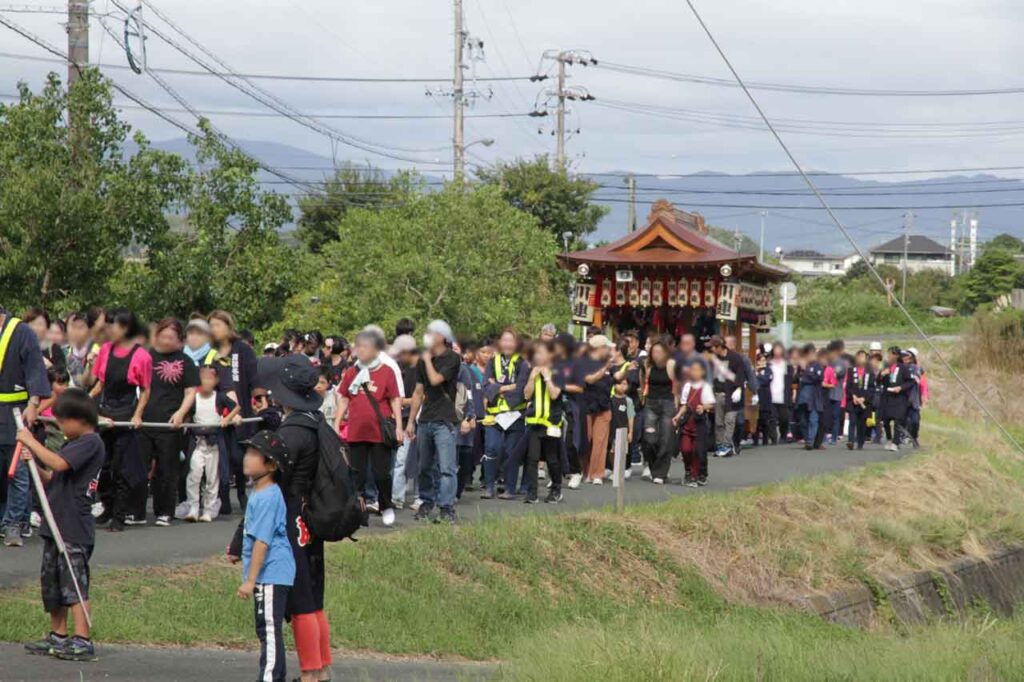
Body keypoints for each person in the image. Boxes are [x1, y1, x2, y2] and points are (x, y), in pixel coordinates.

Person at [251, 354, 333, 681]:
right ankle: (322, 670)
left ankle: (311, 675)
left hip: (290, 518)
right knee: (314, 599)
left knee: (300, 602)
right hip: (310, 518)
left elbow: (271, 480)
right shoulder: (315, 421)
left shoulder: (293, 432)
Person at [18, 388, 103, 662]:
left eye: (63, 421)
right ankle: (58, 634)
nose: (61, 426)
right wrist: (35, 466)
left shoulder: (90, 443)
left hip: (73, 525)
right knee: (53, 583)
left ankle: (82, 639)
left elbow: (59, 463)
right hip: (54, 522)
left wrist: (32, 443)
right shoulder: (72, 443)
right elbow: (53, 476)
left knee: (74, 584)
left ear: (80, 419)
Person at [235, 430, 296, 682]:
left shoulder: (269, 495)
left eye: (254, 454)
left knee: (269, 630)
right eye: (247, 452)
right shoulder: (258, 494)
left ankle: (269, 677)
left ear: (270, 464)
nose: (246, 458)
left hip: (272, 571)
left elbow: (263, 542)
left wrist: (250, 580)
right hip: (268, 572)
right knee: (266, 628)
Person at [88, 308, 151, 531]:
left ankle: (120, 515)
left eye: (111, 326)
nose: (107, 330)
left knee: (122, 468)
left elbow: (145, 390)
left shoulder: (141, 356)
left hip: (126, 414)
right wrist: (86, 398)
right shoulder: (105, 350)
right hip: (105, 412)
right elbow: (100, 384)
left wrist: (137, 415)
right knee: (103, 466)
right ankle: (107, 504)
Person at [336, 331, 404, 528]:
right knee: (357, 475)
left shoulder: (387, 371)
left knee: (382, 473)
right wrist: (337, 422)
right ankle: (358, 510)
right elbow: (344, 397)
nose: (360, 351)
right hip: (357, 431)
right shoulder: (352, 372)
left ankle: (386, 505)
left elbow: (394, 399)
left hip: (378, 432)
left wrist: (399, 426)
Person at [137, 318, 199, 527]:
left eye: (170, 337)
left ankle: (165, 511)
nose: (165, 340)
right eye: (162, 336)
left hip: (170, 423)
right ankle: (137, 511)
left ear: (179, 340)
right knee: (140, 467)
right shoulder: (146, 357)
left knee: (167, 468)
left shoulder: (185, 361)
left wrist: (181, 413)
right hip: (145, 421)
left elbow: (191, 392)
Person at [0, 305, 51, 548]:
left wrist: (33, 403)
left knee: (17, 470)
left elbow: (35, 370)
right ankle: (5, 519)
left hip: (15, 411)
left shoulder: (22, 332)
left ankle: (14, 524)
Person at [406, 320, 462, 523]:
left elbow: (437, 380)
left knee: (446, 468)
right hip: (426, 419)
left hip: (444, 420)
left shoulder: (452, 358)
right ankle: (427, 502)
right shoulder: (423, 361)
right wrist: (411, 421)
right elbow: (418, 391)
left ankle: (446, 507)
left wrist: (428, 360)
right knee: (424, 467)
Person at [208, 310, 261, 515]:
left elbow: (254, 378)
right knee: (222, 457)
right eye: (211, 326)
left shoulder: (243, 350)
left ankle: (241, 492)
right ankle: (222, 498)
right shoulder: (211, 352)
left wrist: (259, 398)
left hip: (242, 411)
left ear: (228, 327)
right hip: (219, 410)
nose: (215, 330)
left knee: (240, 457)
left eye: (218, 325)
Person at [184, 365, 239, 522]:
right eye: (203, 377)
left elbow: (236, 407)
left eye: (209, 378)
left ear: (215, 380)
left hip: (214, 443)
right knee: (194, 475)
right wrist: (184, 422)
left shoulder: (220, 397)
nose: (206, 381)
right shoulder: (194, 397)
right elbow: (187, 413)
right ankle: (193, 507)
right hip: (198, 442)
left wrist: (227, 419)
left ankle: (208, 509)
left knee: (212, 478)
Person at [480, 328, 530, 500]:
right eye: (505, 340)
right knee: (491, 448)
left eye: (511, 340)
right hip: (494, 414)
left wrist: (498, 388)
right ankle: (488, 486)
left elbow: (521, 388)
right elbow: (486, 386)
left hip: (515, 413)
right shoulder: (492, 362)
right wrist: (507, 386)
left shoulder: (522, 364)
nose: (508, 344)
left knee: (511, 451)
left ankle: (510, 487)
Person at [522, 340, 565, 504]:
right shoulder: (532, 371)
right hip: (534, 423)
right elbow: (526, 395)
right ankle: (532, 493)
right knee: (532, 458)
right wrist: (532, 378)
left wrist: (547, 377)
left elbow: (554, 395)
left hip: (551, 424)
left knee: (552, 459)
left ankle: (556, 488)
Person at [574, 335, 615, 484]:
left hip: (604, 405)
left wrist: (625, 370)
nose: (609, 350)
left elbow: (616, 377)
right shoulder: (583, 362)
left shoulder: (608, 363)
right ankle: (584, 471)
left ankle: (597, 473)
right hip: (586, 405)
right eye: (607, 347)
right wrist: (604, 369)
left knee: (601, 441)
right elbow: (589, 379)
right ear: (600, 348)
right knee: (586, 440)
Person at [388, 335, 419, 509]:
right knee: (398, 460)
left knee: (414, 459)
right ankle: (396, 497)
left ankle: (416, 497)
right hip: (395, 418)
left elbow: (419, 396)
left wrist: (400, 401)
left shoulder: (418, 368)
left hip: (412, 418)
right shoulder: (394, 367)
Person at [640, 339, 677, 484]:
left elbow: (677, 386)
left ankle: (660, 473)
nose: (656, 355)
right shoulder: (647, 365)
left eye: (660, 352)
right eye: (654, 352)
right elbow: (643, 381)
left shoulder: (671, 365)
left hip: (668, 403)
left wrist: (678, 406)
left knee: (666, 439)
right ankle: (654, 466)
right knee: (649, 439)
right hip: (651, 403)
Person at [674, 361, 715, 487]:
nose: (694, 372)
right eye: (692, 369)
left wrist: (703, 407)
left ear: (702, 372)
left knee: (698, 451)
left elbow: (711, 404)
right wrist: (677, 416)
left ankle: (695, 475)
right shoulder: (687, 386)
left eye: (697, 370)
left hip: (700, 423)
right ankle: (688, 470)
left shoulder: (706, 387)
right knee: (686, 449)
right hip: (688, 422)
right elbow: (685, 405)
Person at [707, 336, 745, 458]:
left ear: (719, 346)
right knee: (718, 423)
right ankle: (720, 445)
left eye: (713, 347)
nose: (712, 350)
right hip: (718, 394)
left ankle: (727, 445)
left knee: (729, 421)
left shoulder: (735, 358)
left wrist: (739, 389)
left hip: (732, 395)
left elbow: (740, 374)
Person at [846, 350, 876, 451]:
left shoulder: (870, 372)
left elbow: (872, 388)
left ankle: (860, 442)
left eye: (863, 357)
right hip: (853, 400)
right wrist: (853, 396)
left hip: (864, 402)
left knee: (862, 423)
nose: (861, 359)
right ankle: (850, 441)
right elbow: (848, 386)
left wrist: (864, 398)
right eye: (859, 357)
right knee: (852, 421)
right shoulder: (851, 370)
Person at [23, 308, 66, 375]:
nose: (35, 328)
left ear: (47, 327)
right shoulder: (18, 347)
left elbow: (62, 375)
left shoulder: (54, 348)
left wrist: (50, 366)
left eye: (40, 324)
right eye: (32, 323)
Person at [608, 377, 636, 482]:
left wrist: (631, 431)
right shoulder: (610, 399)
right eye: (619, 384)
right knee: (612, 451)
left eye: (624, 384)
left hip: (623, 430)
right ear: (614, 385)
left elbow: (631, 416)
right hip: (612, 430)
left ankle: (620, 471)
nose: (622, 386)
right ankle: (614, 469)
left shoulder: (628, 401)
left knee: (622, 452)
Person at [768, 343, 794, 442]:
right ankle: (773, 437)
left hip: (783, 394)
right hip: (771, 393)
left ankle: (783, 435)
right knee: (772, 417)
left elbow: (791, 379)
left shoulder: (787, 365)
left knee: (784, 417)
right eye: (776, 350)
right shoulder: (769, 364)